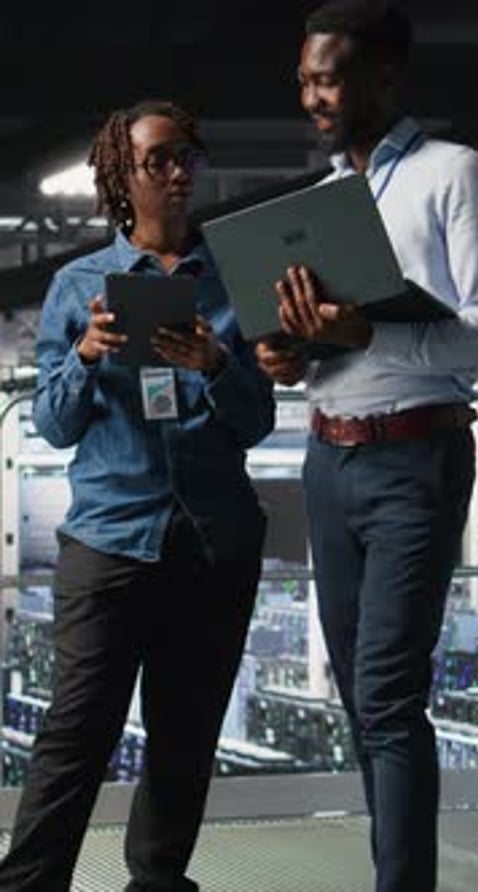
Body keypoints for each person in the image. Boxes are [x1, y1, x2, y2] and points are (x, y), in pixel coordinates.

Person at [0, 98, 275, 892]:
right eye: (160, 159)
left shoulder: (233, 279)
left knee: (184, 742)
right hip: (111, 544)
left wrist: (215, 365)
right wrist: (86, 355)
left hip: (214, 544)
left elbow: (256, 421)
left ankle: (157, 882)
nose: (179, 171)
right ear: (123, 175)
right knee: (75, 736)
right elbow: (54, 425)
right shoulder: (77, 285)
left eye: (188, 155)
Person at [256, 2, 478, 891]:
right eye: (303, 82)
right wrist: (293, 352)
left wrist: (367, 333)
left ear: (384, 74)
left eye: (327, 80)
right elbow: (333, 343)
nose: (311, 98)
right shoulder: (324, 200)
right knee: (367, 703)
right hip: (327, 460)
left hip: (414, 460)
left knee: (390, 699)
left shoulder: (453, 173)